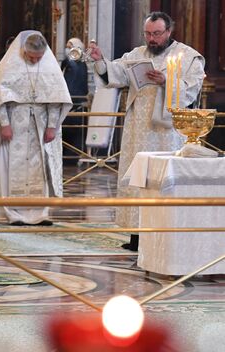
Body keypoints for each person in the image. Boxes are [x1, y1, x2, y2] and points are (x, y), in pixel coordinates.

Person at [89, 11, 205, 251]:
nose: (152, 39)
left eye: (157, 34)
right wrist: (100, 60)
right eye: (148, 34)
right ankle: (137, 236)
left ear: (169, 32)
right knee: (138, 180)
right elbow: (116, 74)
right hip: (138, 130)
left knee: (164, 181)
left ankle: (165, 234)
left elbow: (193, 89)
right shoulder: (136, 55)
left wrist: (166, 81)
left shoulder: (188, 56)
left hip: (168, 132)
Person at [0, 31, 72, 225]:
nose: (34, 60)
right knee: (11, 167)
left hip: (40, 125)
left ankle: (39, 213)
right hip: (15, 123)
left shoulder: (50, 66)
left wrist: (52, 127)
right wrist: (4, 124)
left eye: (38, 57)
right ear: (24, 50)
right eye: (31, 57)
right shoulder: (9, 66)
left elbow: (56, 100)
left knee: (40, 169)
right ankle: (13, 212)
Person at [61, 37, 89, 164]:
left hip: (75, 103)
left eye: (70, 46)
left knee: (73, 133)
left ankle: (71, 159)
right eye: (67, 46)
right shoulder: (68, 63)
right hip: (68, 102)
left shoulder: (79, 64)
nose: (67, 49)